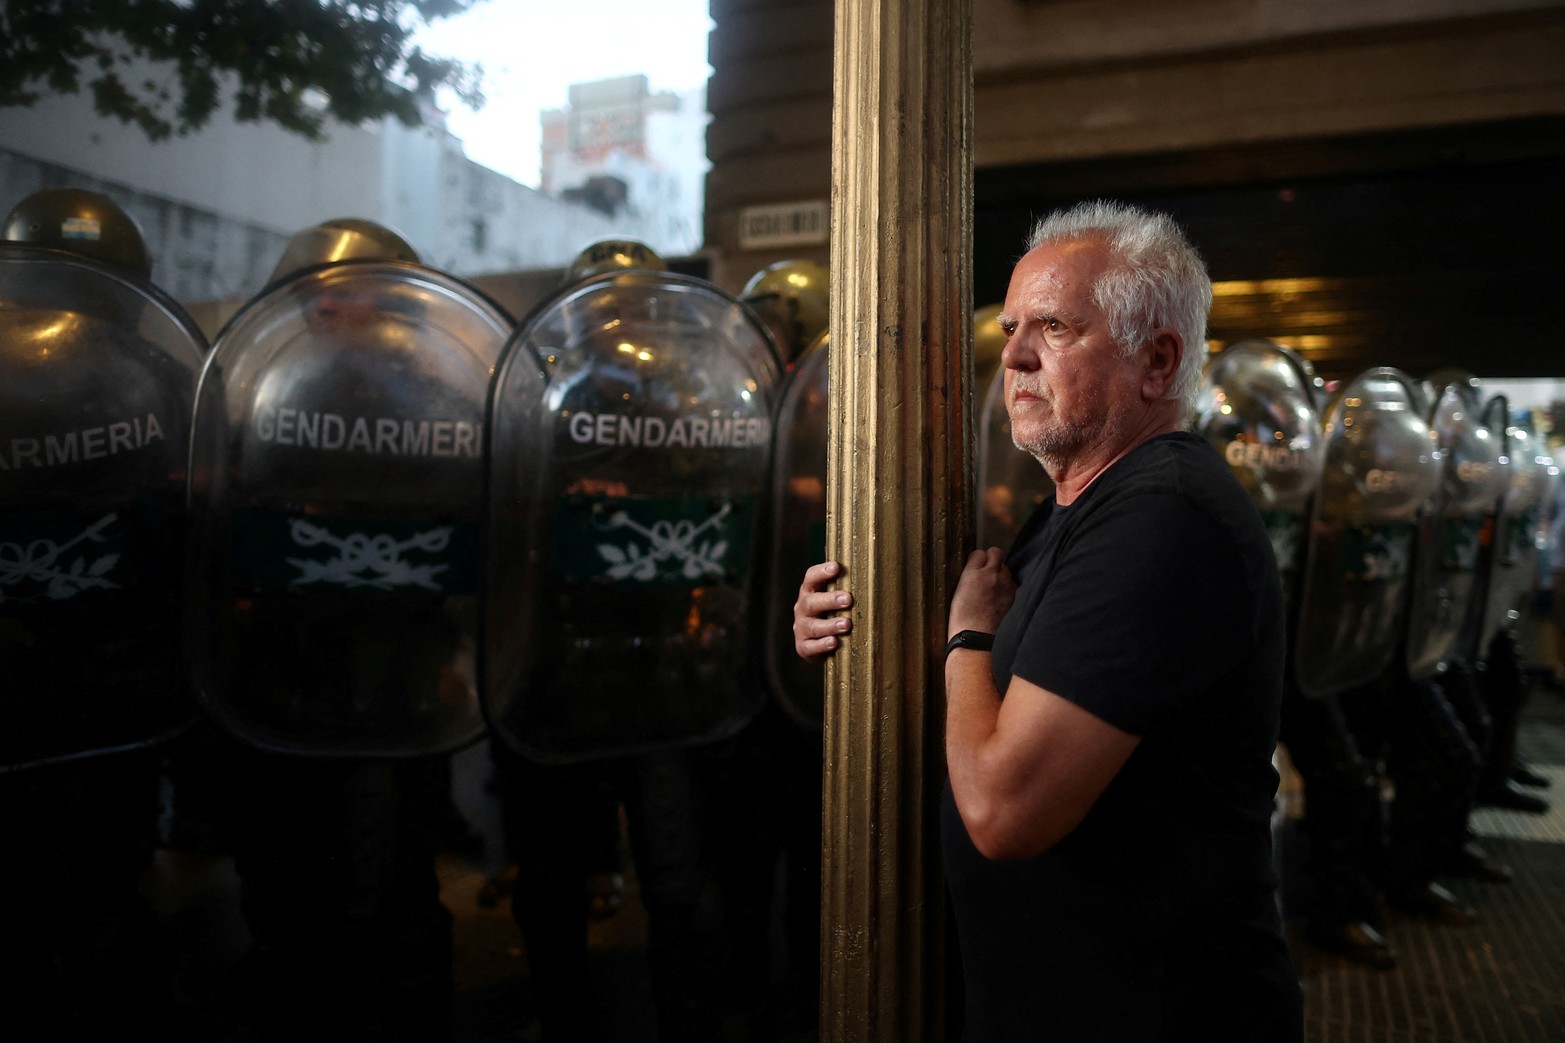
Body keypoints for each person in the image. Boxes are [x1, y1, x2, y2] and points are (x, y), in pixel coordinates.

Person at [793, 200, 1303, 1041]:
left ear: (1156, 359)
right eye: (1013, 326)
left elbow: (1002, 808)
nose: (1016, 355)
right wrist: (848, 630)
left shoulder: (1163, 515)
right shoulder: (1077, 506)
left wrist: (965, 641)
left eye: (1055, 328)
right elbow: (994, 706)